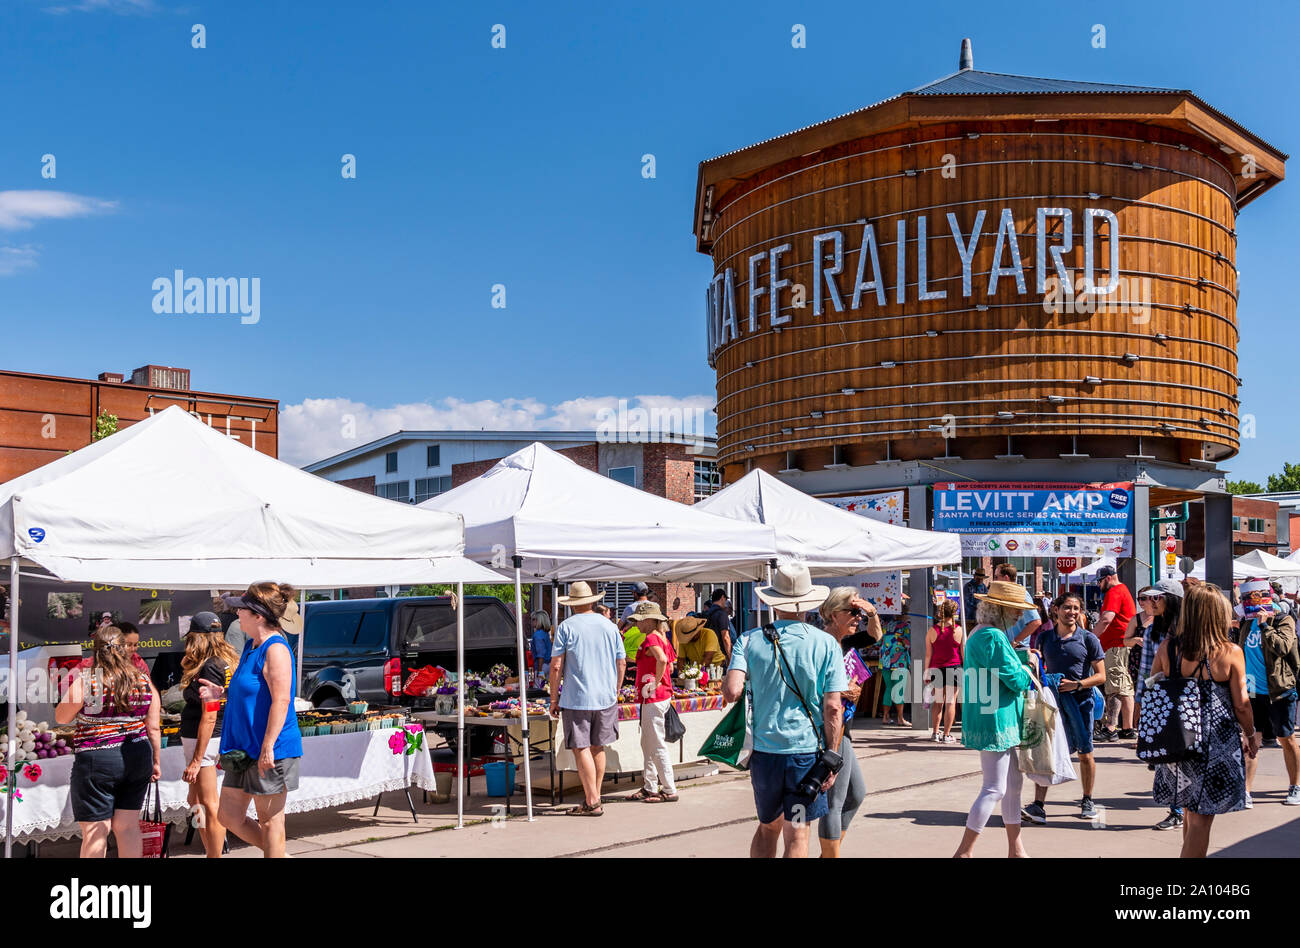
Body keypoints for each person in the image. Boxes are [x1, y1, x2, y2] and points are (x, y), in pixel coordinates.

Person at [723, 562, 845, 858]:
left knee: (768, 827)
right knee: (798, 831)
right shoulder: (826, 644)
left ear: (773, 601)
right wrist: (832, 756)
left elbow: (732, 691)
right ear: (808, 602)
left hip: (766, 755)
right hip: (805, 758)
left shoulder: (748, 640)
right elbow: (832, 708)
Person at [1151, 583, 1258, 857]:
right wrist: (1250, 734)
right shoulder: (1230, 651)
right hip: (1214, 743)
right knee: (1202, 817)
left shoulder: (1168, 648)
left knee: (1190, 810)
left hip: (1176, 739)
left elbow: (1152, 688)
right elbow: (1241, 704)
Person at [198, 582, 303, 858]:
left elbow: (282, 701)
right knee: (229, 816)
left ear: (258, 615)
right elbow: (249, 689)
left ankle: (276, 853)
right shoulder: (250, 645)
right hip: (244, 749)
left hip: (271, 749)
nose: (236, 614)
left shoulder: (276, 649)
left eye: (241, 609)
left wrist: (268, 745)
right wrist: (221, 693)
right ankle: (279, 854)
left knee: (270, 822)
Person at [55, 625, 162, 858]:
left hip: (98, 757)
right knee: (128, 827)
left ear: (96, 651)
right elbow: (153, 725)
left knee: (96, 831)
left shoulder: (90, 680)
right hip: (138, 755)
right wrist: (156, 761)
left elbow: (61, 716)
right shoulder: (143, 680)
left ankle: (94, 894)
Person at [953, 582, 1036, 858]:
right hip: (997, 717)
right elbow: (1015, 678)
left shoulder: (981, 633)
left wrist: (1020, 660)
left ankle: (1016, 849)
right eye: (1014, 610)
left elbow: (998, 668)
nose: (1018, 616)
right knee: (995, 787)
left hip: (993, 714)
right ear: (999, 609)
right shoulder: (993, 637)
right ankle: (964, 851)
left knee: (1012, 785)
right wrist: (1028, 667)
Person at [1021, 592, 1105, 824]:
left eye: (1076, 608)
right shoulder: (1045, 638)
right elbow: (1039, 667)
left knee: (1085, 752)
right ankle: (1038, 805)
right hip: (1053, 702)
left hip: (1082, 703)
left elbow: (1101, 676)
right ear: (1056, 610)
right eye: (1067, 608)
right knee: (1046, 751)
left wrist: (1077, 684)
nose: (1072, 613)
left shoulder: (1088, 639)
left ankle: (1087, 799)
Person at [548, 581, 626, 816]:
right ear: (592, 601)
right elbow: (621, 662)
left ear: (572, 604)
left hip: (577, 697)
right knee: (597, 747)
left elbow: (556, 666)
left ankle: (592, 801)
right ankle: (594, 796)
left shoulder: (566, 627)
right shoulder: (610, 626)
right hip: (606, 697)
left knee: (581, 747)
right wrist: (616, 689)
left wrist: (553, 699)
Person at [816, 587, 877, 857]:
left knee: (856, 794)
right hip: (829, 727)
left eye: (859, 613)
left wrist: (872, 612)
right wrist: (843, 690)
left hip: (845, 728)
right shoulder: (818, 642)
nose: (858, 618)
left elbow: (875, 635)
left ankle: (829, 852)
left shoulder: (848, 642)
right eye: (852, 612)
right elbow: (810, 684)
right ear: (832, 613)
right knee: (834, 800)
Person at [1234, 580, 1300, 806]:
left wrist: (1264, 626)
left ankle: (1295, 786)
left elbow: (1282, 647)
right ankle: (1246, 792)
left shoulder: (1283, 619)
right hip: (1253, 691)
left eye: (1255, 596)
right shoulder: (1245, 623)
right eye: (1246, 597)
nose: (1250, 602)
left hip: (1279, 690)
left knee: (1286, 738)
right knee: (1252, 739)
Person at [1130, 580, 1186, 830]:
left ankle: (1186, 807)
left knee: (1184, 756)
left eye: (1155, 598)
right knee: (1167, 759)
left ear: (1170, 600)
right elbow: (1146, 667)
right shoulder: (1152, 629)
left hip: (1185, 699)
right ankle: (1176, 809)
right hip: (1161, 701)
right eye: (1148, 598)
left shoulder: (1185, 629)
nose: (1149, 603)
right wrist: (1143, 700)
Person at [179, 611, 235, 858]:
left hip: (204, 740)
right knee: (194, 801)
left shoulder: (210, 666)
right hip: (206, 739)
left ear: (197, 637)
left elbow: (209, 715)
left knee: (209, 805)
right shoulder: (224, 661)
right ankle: (207, 848)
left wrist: (195, 760)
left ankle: (214, 854)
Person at [625, 602, 678, 803]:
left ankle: (669, 788)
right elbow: (669, 665)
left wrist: (654, 683)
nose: (637, 624)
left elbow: (663, 660)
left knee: (655, 744)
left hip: (654, 697)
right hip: (657, 696)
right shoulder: (662, 637)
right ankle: (650, 785)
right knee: (648, 743)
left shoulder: (652, 638)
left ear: (648, 620)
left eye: (639, 620)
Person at [1093, 565, 1137, 742]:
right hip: (1120, 645)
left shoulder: (1114, 592)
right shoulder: (1123, 589)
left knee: (1115, 688)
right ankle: (1127, 728)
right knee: (1125, 688)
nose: (1099, 585)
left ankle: (1111, 728)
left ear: (1108, 578)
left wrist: (1089, 637)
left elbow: (1106, 619)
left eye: (1100, 581)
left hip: (1116, 646)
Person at [926, 599, 965, 743]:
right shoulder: (959, 630)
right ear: (954, 613)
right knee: (950, 702)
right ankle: (947, 734)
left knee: (938, 702)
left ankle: (935, 733)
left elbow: (928, 655)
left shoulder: (932, 631)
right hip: (954, 668)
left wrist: (926, 671)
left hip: (936, 669)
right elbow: (963, 654)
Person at [879, 594, 912, 726]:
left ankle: (885, 717)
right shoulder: (905, 626)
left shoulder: (886, 625)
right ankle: (900, 718)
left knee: (888, 688)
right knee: (898, 690)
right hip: (899, 661)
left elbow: (879, 641)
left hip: (885, 660)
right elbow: (907, 644)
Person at [994, 565, 1041, 646]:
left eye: (996, 577)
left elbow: (1036, 622)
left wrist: (1016, 641)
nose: (994, 580)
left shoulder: (1021, 595)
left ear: (1006, 578)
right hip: (1006, 646)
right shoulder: (1004, 594)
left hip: (1018, 648)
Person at [702, 588, 735, 658]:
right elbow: (725, 637)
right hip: (719, 655)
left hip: (706, 653)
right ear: (722, 597)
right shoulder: (722, 614)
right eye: (725, 599)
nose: (725, 602)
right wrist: (730, 655)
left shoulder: (706, 613)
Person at [530, 610, 553, 683]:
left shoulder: (538, 635)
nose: (531, 621)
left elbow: (540, 654)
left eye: (534, 619)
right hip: (549, 665)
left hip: (542, 666)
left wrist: (540, 671)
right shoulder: (545, 634)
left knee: (538, 689)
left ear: (539, 621)